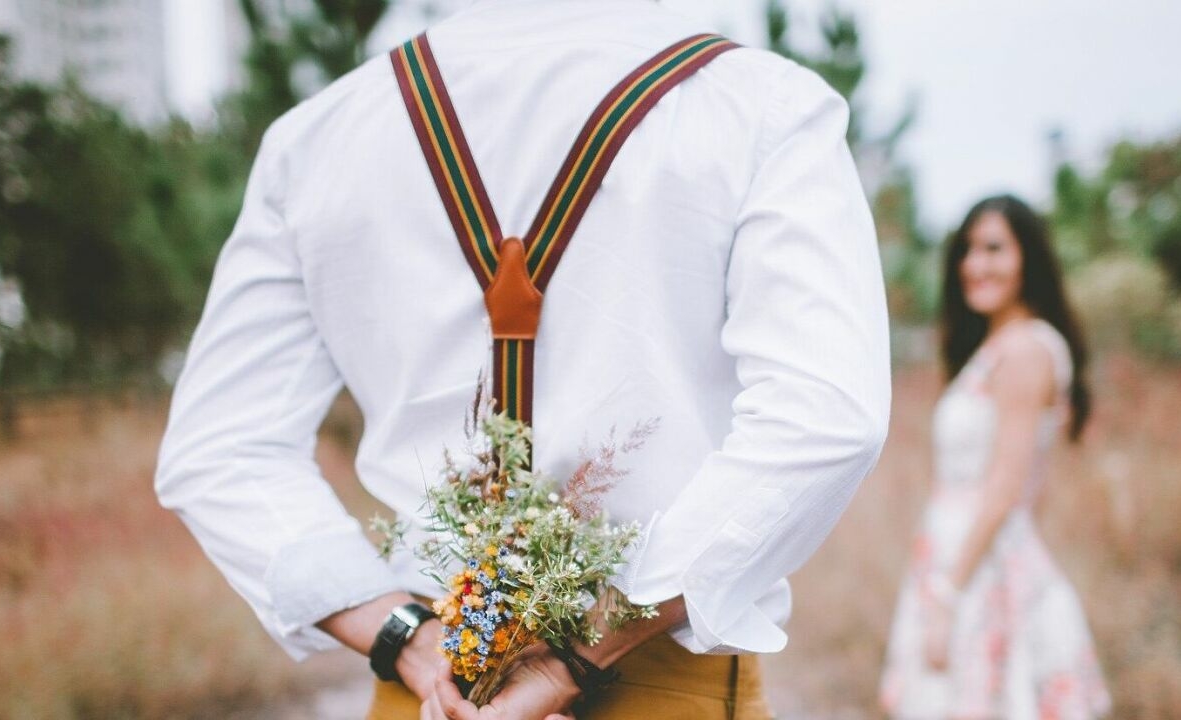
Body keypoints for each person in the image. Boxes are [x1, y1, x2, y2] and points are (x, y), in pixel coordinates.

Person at [154, 0, 891, 718]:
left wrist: (407, 637)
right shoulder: (759, 104)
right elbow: (824, 416)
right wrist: (577, 652)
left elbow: (219, 448)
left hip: (434, 695)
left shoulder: (318, 138)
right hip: (663, 691)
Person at [879, 195, 1112, 718]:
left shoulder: (1025, 350)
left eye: (994, 248)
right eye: (967, 250)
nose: (975, 265)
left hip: (977, 570)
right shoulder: (998, 347)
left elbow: (1006, 488)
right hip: (962, 555)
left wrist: (948, 594)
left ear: (1028, 257)